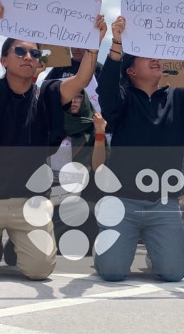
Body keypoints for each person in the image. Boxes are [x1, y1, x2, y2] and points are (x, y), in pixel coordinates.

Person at [0, 0, 106, 281]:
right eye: (20, 51)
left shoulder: (49, 94)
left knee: (39, 271)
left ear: (40, 63)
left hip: (30, 202)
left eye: (35, 53)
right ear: (4, 60)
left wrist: (94, 45)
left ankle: (13, 242)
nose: (28, 56)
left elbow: (82, 79)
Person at [92, 0, 184, 282]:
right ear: (130, 69)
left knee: (174, 272)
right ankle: (112, 244)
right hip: (122, 202)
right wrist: (116, 43)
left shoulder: (179, 99)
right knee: (112, 272)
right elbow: (107, 92)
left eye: (156, 53)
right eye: (145, 54)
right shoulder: (121, 101)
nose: (155, 58)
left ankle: (159, 246)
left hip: (164, 203)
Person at [51, 90, 109, 256]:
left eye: (79, 97)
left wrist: (99, 134)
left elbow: (98, 167)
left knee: (86, 211)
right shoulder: (49, 124)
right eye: (70, 97)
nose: (75, 101)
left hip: (78, 194)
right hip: (48, 192)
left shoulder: (90, 130)